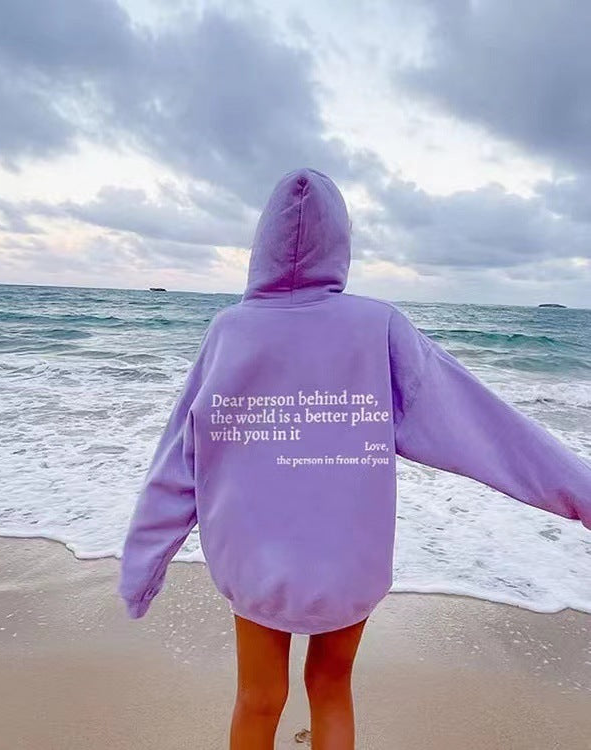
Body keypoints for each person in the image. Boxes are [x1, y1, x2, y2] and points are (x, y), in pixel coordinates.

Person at [117, 167, 591, 749]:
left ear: (260, 247)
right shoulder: (379, 326)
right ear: (340, 244)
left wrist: (143, 567)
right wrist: (581, 492)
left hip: (255, 561)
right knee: (332, 685)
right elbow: (483, 425)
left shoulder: (230, 332)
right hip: (349, 562)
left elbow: (178, 461)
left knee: (259, 698)